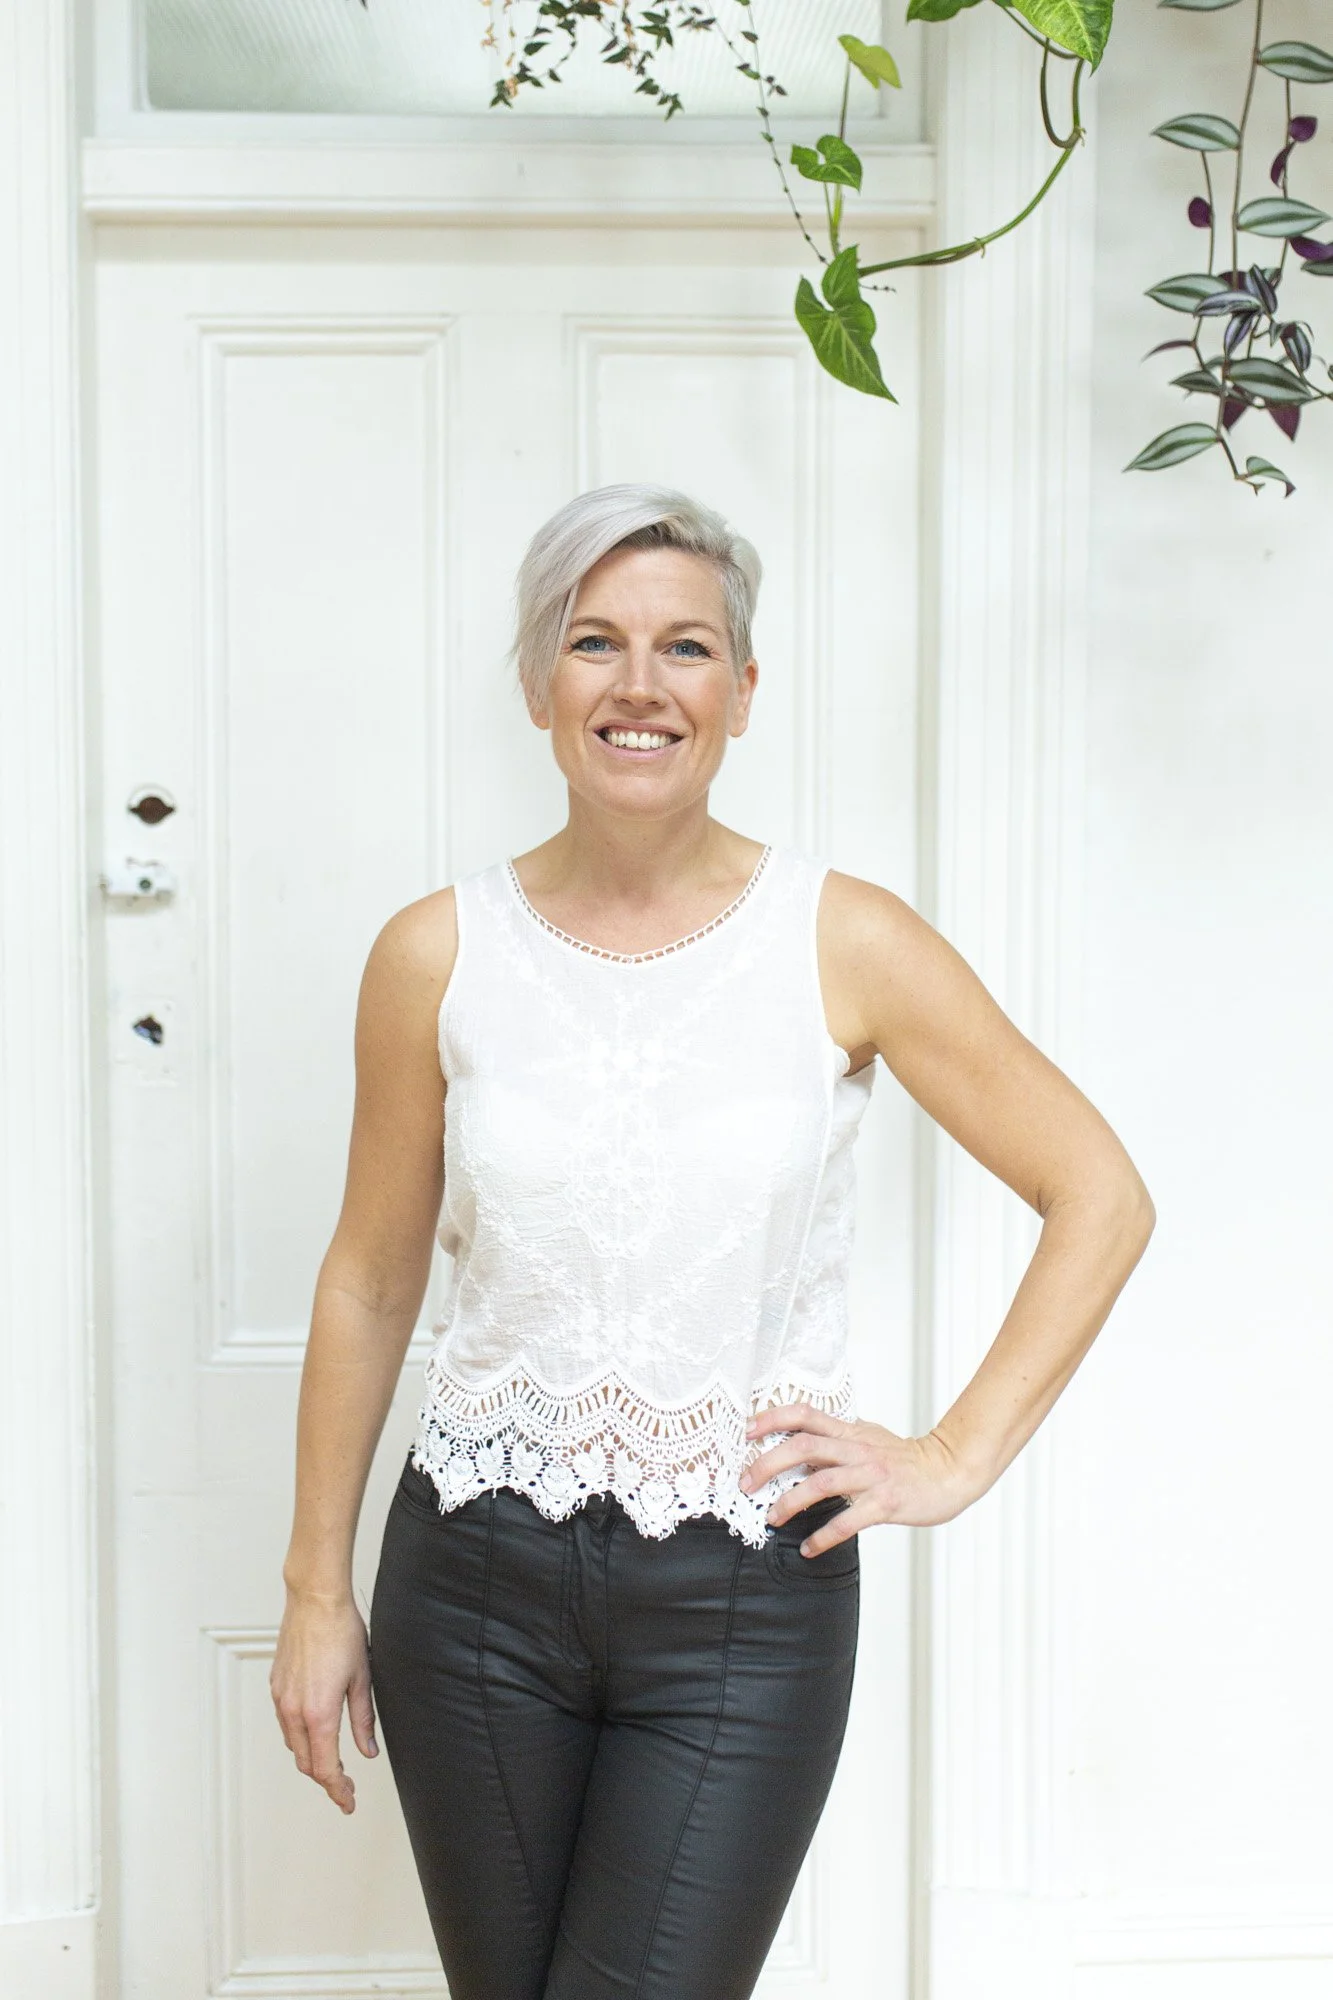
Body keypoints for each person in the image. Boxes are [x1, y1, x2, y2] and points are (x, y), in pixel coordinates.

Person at [270, 484, 1155, 2000]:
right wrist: (313, 1590)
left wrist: (946, 1457)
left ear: (743, 693)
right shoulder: (434, 954)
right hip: (470, 1581)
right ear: (540, 681)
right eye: (594, 642)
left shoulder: (846, 937)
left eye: (686, 648)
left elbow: (1100, 1192)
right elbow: (368, 1278)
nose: (639, 685)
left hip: (744, 1599)